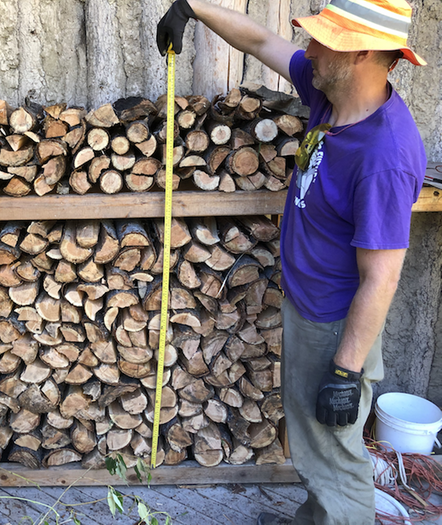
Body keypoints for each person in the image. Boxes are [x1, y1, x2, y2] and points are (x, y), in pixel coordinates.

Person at [156, 1, 427, 524]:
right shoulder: (332, 96)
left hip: (333, 327)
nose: (310, 46)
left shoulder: (384, 155)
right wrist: (192, 6)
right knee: (313, 446)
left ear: (363, 53)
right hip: (308, 308)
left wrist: (345, 372)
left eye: (325, 39)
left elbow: (382, 276)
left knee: (335, 459)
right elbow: (259, 42)